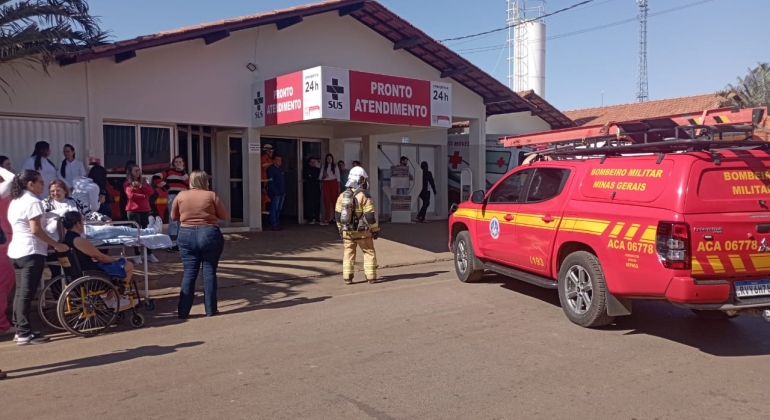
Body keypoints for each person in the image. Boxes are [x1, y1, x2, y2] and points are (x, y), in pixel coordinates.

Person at [8, 170, 69, 345]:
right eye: (41, 182)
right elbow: (36, 230)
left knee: (21, 293)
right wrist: (56, 244)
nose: (43, 185)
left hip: (17, 251)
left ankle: (21, 330)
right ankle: (24, 333)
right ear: (30, 184)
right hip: (31, 251)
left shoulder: (16, 201)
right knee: (26, 294)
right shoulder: (33, 201)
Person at [171, 170, 227, 319]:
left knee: (189, 272)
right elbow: (224, 215)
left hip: (186, 234)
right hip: (209, 233)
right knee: (209, 272)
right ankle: (211, 309)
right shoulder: (211, 195)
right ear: (205, 181)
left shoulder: (181, 195)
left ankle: (183, 311)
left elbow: (174, 216)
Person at [60, 211, 135, 309]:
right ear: (78, 224)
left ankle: (111, 298)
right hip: (92, 275)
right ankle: (114, 299)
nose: (83, 224)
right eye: (82, 221)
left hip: (77, 276)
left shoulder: (65, 239)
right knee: (128, 265)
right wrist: (115, 260)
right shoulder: (78, 240)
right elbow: (100, 257)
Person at [335, 166, 380, 285]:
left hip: (347, 232)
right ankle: (371, 277)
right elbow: (370, 217)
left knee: (348, 253)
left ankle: (347, 278)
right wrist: (375, 229)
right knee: (369, 251)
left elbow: (338, 216)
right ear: (361, 180)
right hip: (363, 232)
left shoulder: (342, 196)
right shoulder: (364, 195)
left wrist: (340, 229)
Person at [153, 156, 189, 251]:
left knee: (182, 221)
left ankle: (180, 243)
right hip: (172, 197)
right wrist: (165, 186)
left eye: (180, 162)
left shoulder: (184, 174)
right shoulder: (168, 172)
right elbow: (156, 177)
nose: (178, 163)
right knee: (173, 220)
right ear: (173, 163)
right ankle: (172, 244)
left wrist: (182, 172)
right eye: (176, 162)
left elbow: (188, 183)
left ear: (183, 163)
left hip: (183, 197)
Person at [124, 164, 159, 263]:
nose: (138, 172)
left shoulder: (143, 182)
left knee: (147, 232)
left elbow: (151, 192)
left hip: (145, 209)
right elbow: (131, 195)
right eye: (135, 170)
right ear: (130, 172)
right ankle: (137, 254)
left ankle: (149, 253)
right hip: (133, 210)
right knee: (136, 233)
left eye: (138, 170)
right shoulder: (127, 183)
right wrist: (144, 196)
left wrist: (141, 186)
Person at [0, 165, 15, 337]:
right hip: (3, 243)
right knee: (3, 284)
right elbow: (12, 178)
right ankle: (2, 324)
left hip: (6, 239)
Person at [266, 154, 285, 231]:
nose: (280, 161)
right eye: (278, 160)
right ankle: (273, 224)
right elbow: (270, 182)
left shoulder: (280, 170)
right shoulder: (270, 169)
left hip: (282, 192)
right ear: (273, 161)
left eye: (280, 160)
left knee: (279, 209)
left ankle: (277, 223)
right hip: (275, 193)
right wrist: (275, 192)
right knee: (274, 208)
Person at [320, 153, 339, 225]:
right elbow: (320, 177)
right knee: (326, 201)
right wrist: (324, 176)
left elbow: (338, 178)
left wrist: (338, 187)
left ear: (332, 159)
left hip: (334, 183)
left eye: (330, 158)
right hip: (326, 184)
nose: (329, 160)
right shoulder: (323, 167)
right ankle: (326, 219)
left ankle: (336, 218)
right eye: (328, 159)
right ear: (326, 159)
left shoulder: (335, 166)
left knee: (335, 201)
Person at [303, 157, 321, 225]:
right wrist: (314, 177)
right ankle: (310, 219)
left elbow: (319, 177)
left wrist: (314, 177)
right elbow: (308, 177)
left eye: (314, 162)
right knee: (310, 204)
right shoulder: (306, 169)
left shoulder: (318, 170)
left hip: (316, 189)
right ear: (309, 163)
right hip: (309, 189)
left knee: (317, 203)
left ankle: (317, 218)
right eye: (312, 162)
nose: (313, 163)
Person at [260, 144, 274, 217]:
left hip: (269, 185)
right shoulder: (261, 160)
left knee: (269, 202)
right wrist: (262, 187)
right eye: (271, 151)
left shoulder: (271, 161)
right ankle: (264, 221)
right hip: (264, 185)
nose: (272, 153)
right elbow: (260, 173)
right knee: (265, 202)